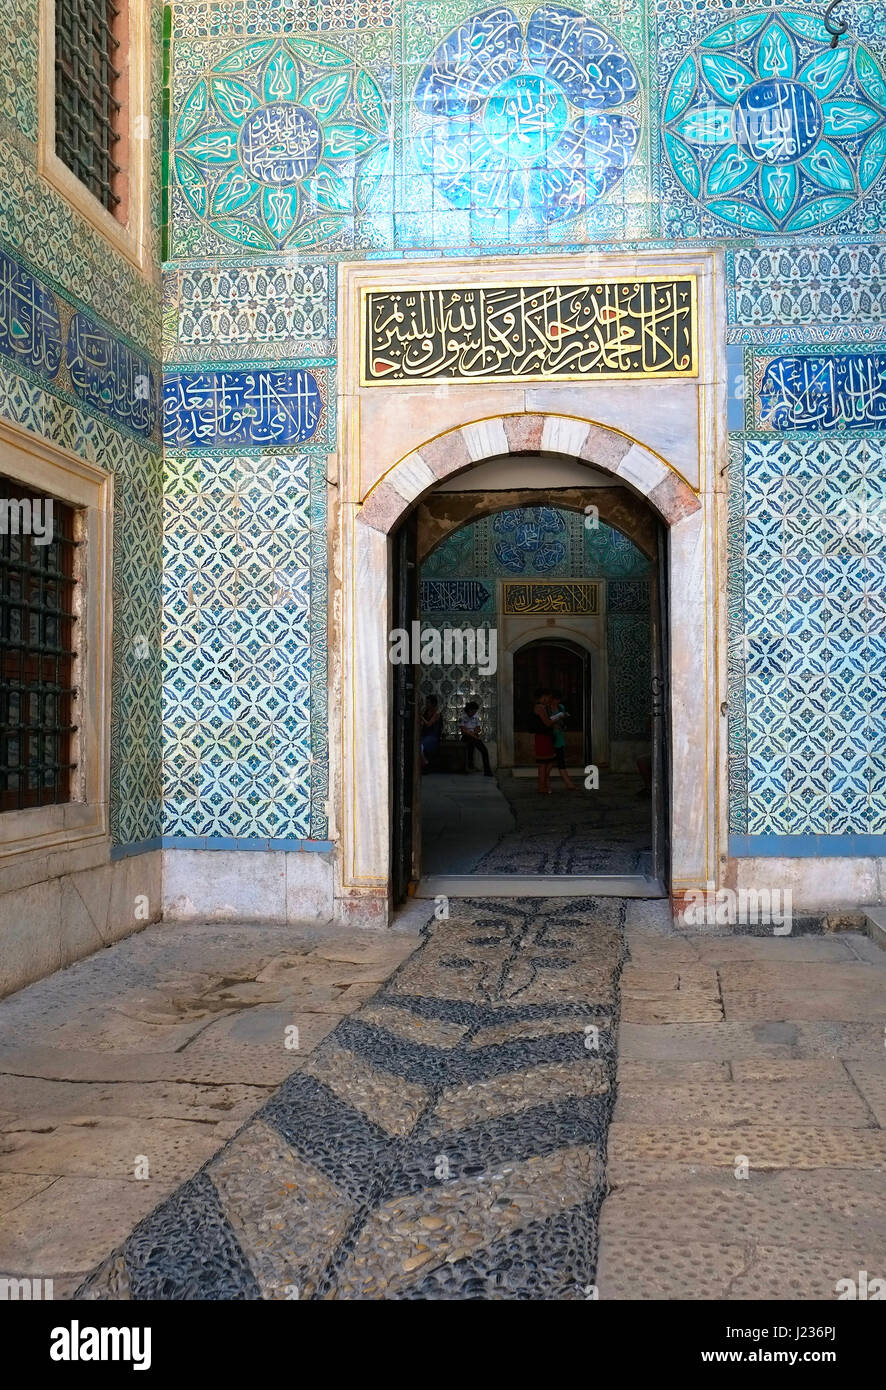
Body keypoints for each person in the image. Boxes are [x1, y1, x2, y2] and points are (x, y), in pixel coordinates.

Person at [549, 689, 576, 790]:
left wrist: (564, 719)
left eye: (558, 700)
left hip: (559, 735)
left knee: (560, 759)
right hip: (550, 735)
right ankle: (545, 784)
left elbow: (564, 721)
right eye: (555, 699)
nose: (556, 702)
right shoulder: (547, 708)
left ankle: (568, 784)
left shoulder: (561, 707)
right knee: (550, 760)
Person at [532, 688, 557, 795]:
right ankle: (542, 786)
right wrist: (557, 717)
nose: (549, 700)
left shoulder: (542, 707)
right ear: (544, 696)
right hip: (543, 737)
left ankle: (544, 784)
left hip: (545, 736)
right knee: (543, 763)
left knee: (548, 762)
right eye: (548, 697)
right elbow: (547, 723)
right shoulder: (539, 707)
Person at [459, 701, 492, 776]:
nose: (474, 713)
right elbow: (463, 730)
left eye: (475, 711)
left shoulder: (476, 717)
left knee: (484, 751)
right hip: (467, 737)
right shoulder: (463, 717)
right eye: (473, 711)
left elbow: (478, 728)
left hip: (474, 736)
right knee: (470, 747)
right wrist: (472, 734)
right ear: (469, 710)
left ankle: (487, 771)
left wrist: (473, 733)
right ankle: (469, 765)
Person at [420, 695, 443, 770]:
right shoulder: (425, 711)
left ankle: (425, 762)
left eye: (428, 703)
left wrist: (421, 717)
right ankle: (424, 762)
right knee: (418, 744)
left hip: (433, 736)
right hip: (425, 735)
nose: (426, 704)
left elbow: (429, 724)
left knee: (420, 745)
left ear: (433, 704)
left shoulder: (437, 713)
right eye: (426, 702)